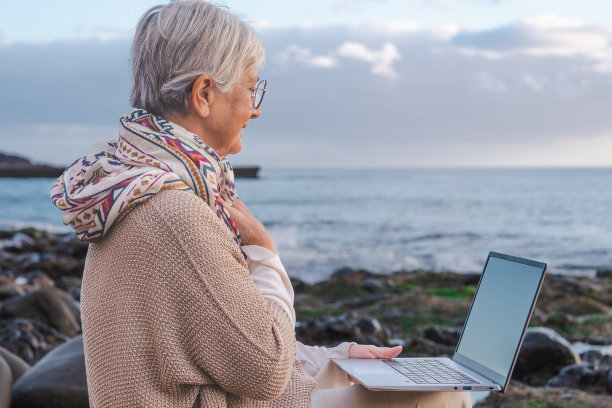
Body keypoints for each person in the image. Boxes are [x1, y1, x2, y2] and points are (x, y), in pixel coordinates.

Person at [50, 1, 471, 407]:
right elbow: (267, 368)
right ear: (204, 94)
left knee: (416, 385)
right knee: (445, 395)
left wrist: (336, 360)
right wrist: (265, 253)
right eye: (252, 89)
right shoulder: (175, 214)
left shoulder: (130, 190)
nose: (255, 110)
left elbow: (222, 351)